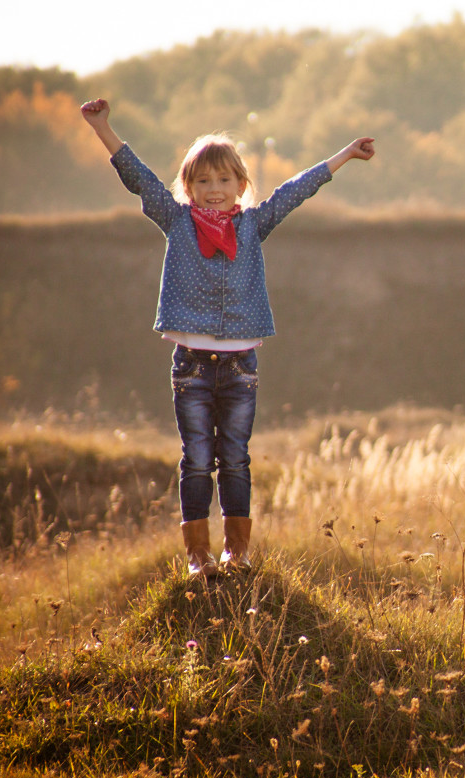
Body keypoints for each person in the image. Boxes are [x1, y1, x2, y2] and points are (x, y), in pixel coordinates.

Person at [80, 97, 375, 578]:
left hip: (240, 366)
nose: (214, 190)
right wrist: (101, 128)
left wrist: (343, 155)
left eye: (224, 180)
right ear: (188, 187)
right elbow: (137, 175)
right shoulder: (176, 221)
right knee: (196, 459)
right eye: (202, 181)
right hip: (191, 364)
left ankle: (236, 553)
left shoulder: (253, 225)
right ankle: (197, 557)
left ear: (241, 185)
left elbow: (296, 190)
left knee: (235, 459)